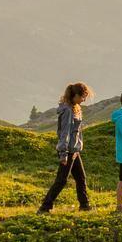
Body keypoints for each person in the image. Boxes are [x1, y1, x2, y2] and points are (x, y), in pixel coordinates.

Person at [38, 81, 92, 213]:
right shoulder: (68, 110)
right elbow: (65, 132)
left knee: (81, 178)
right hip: (68, 151)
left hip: (74, 150)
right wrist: (63, 153)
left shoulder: (74, 108)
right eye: (83, 96)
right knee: (61, 180)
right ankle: (45, 207)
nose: (84, 100)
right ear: (76, 95)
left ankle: (84, 206)